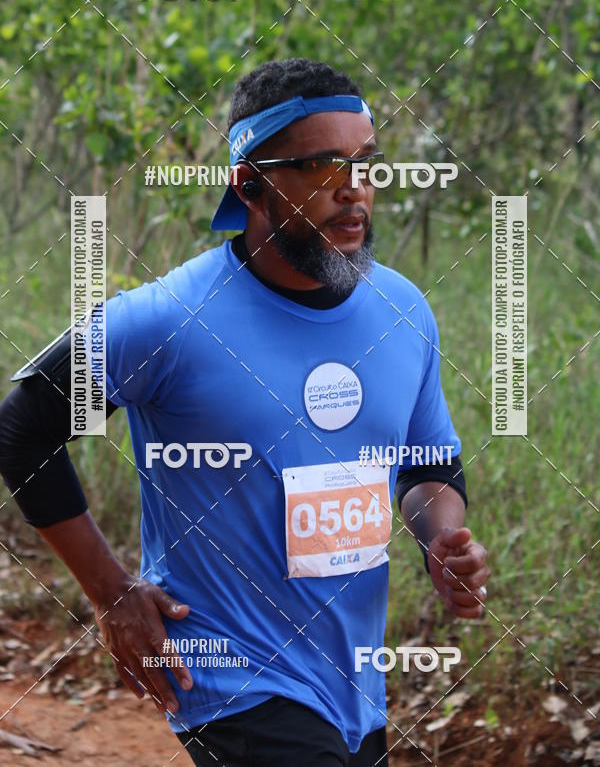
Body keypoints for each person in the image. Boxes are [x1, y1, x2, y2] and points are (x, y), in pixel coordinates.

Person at [0, 58, 490, 766]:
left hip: (354, 683)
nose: (355, 191)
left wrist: (442, 540)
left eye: (365, 164)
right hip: (233, 680)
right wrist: (111, 595)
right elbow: (23, 429)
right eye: (323, 168)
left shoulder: (403, 311)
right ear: (251, 184)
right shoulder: (169, 320)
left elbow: (426, 461)